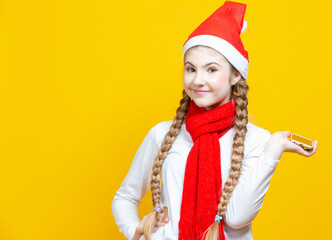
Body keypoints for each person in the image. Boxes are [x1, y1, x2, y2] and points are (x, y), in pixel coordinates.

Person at [111, 1, 318, 240]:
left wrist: (273, 150)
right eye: (191, 69)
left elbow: (237, 217)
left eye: (211, 70)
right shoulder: (162, 134)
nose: (198, 80)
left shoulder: (257, 139)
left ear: (235, 75)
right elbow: (125, 197)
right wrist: (136, 230)